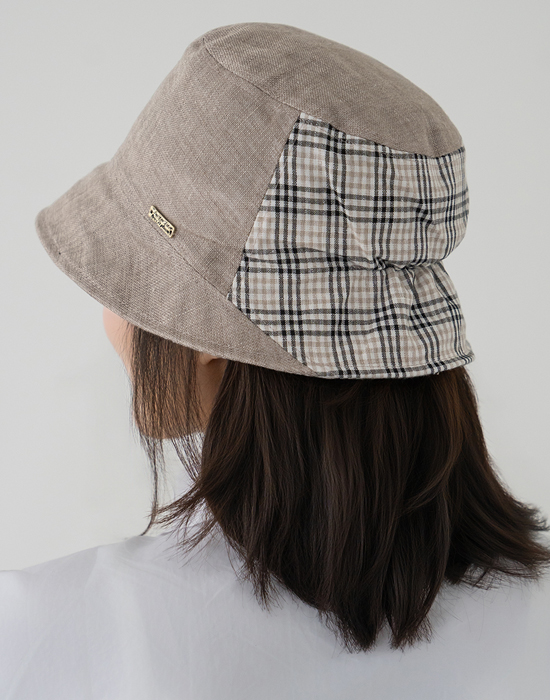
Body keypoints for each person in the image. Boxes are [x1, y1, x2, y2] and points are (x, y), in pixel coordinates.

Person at [2, 21, 550, 700]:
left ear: (202, 329)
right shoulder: (533, 615)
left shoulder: (51, 634)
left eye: (123, 288)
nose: (111, 319)